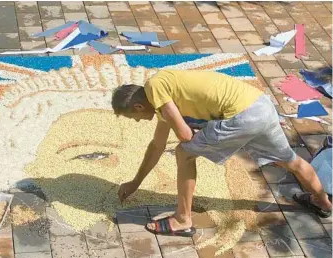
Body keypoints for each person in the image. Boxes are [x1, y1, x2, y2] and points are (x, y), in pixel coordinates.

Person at [112, 69, 332, 237]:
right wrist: (135, 182)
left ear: (139, 106)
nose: (137, 121)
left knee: (184, 153)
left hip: (242, 116)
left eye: (133, 117)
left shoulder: (154, 87)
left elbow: (185, 136)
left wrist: (199, 132)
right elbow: (156, 146)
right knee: (290, 161)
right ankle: (322, 202)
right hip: (260, 105)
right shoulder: (164, 92)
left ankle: (182, 219)